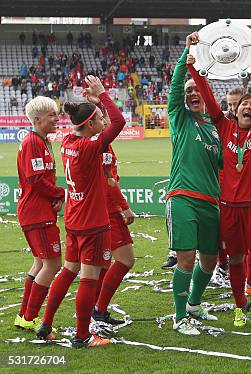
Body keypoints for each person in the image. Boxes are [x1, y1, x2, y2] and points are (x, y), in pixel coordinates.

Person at [187, 43, 251, 333]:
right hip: (229, 207)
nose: (248, 107)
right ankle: (239, 308)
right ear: (235, 111)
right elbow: (209, 98)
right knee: (235, 258)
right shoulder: (224, 127)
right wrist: (193, 67)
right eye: (243, 106)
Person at [36, 75, 126, 347]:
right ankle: (83, 335)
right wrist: (103, 96)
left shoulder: (67, 142)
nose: (103, 122)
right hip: (92, 223)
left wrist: (92, 107)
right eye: (99, 119)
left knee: (68, 271)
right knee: (89, 277)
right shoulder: (89, 147)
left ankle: (46, 324)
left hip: (73, 220)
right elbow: (119, 122)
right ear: (89, 125)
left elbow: (96, 124)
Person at [162, 32, 223, 336]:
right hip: (183, 197)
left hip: (211, 201)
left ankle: (194, 305)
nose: (191, 94)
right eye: (188, 92)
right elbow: (174, 91)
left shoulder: (215, 128)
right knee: (186, 259)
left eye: (196, 90)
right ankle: (178, 316)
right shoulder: (180, 118)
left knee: (209, 261)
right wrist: (185, 61)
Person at [14, 97, 64, 334]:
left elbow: (41, 179)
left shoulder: (41, 141)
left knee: (40, 263)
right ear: (37, 120)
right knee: (53, 264)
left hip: (37, 211)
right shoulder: (33, 142)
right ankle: (31, 317)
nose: (57, 119)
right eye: (52, 115)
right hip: (36, 213)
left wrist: (53, 197)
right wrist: (60, 193)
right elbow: (35, 180)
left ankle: (24, 316)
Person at [84, 94, 136, 326]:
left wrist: (98, 101)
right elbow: (109, 183)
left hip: (95, 210)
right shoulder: (101, 144)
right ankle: (98, 309)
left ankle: (95, 308)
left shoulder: (88, 143)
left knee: (103, 263)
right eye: (102, 116)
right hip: (108, 210)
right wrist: (125, 208)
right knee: (125, 260)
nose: (106, 119)